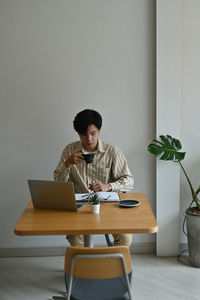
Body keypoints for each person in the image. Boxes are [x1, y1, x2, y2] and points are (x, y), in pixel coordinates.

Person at [54, 109, 134, 247]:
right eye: (84, 135)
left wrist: (108, 186)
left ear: (99, 130)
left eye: (93, 133)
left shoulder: (112, 151)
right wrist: (68, 164)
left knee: (125, 238)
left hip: (109, 206)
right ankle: (82, 265)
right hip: (79, 208)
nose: (89, 139)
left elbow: (129, 180)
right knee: (75, 239)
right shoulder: (69, 150)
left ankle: (114, 265)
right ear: (78, 134)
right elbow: (58, 184)